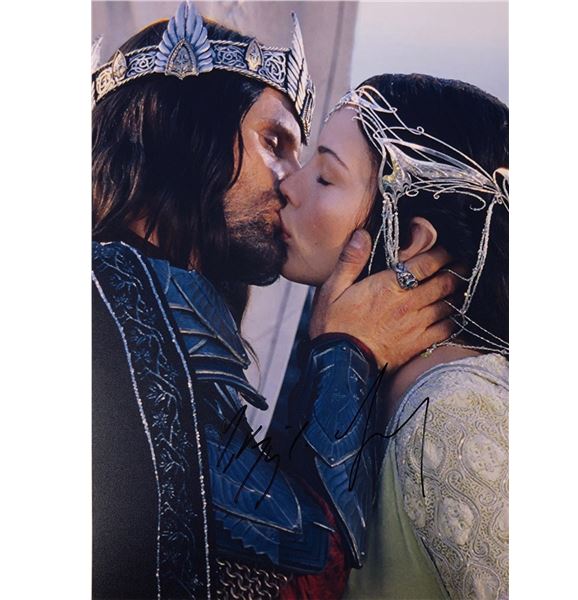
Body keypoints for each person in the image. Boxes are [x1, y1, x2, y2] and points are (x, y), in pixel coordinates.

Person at [91, 3, 459, 598]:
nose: (291, 181)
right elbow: (300, 567)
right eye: (275, 142)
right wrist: (348, 351)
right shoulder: (102, 293)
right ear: (176, 125)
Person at [278, 73, 509, 599]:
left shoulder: (453, 412)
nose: (288, 185)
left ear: (409, 241)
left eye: (325, 177)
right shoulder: (384, 388)